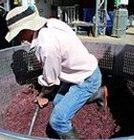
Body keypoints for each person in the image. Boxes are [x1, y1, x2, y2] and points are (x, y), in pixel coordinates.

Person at [5, 5, 108, 139]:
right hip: (79, 73)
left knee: (58, 121)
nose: (20, 38)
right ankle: (99, 93)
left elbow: (50, 82)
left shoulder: (46, 45)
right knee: (57, 102)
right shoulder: (51, 23)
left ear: (28, 28)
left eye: (20, 33)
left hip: (87, 79)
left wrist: (42, 95)